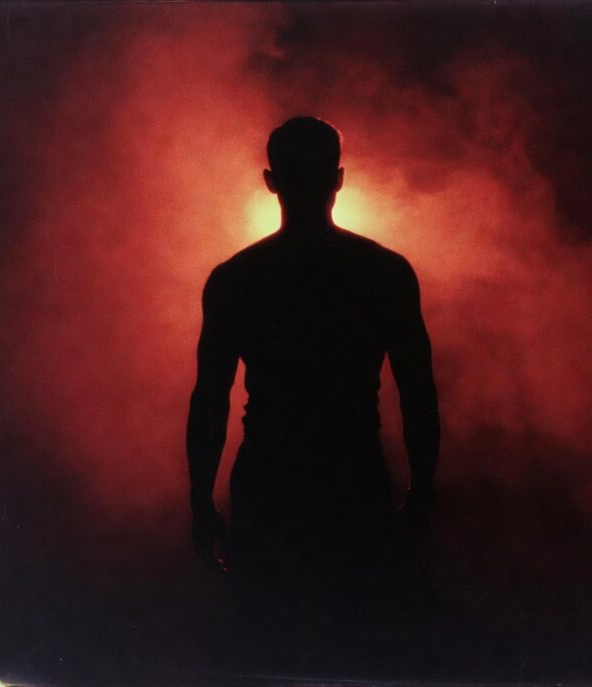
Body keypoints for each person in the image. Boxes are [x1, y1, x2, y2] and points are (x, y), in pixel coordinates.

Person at [186, 116, 440, 670]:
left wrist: (201, 501)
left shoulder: (236, 278)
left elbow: (211, 399)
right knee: (354, 647)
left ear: (270, 180)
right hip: (353, 479)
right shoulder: (384, 272)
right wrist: (421, 494)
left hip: (269, 481)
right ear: (339, 178)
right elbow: (418, 393)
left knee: (265, 646)